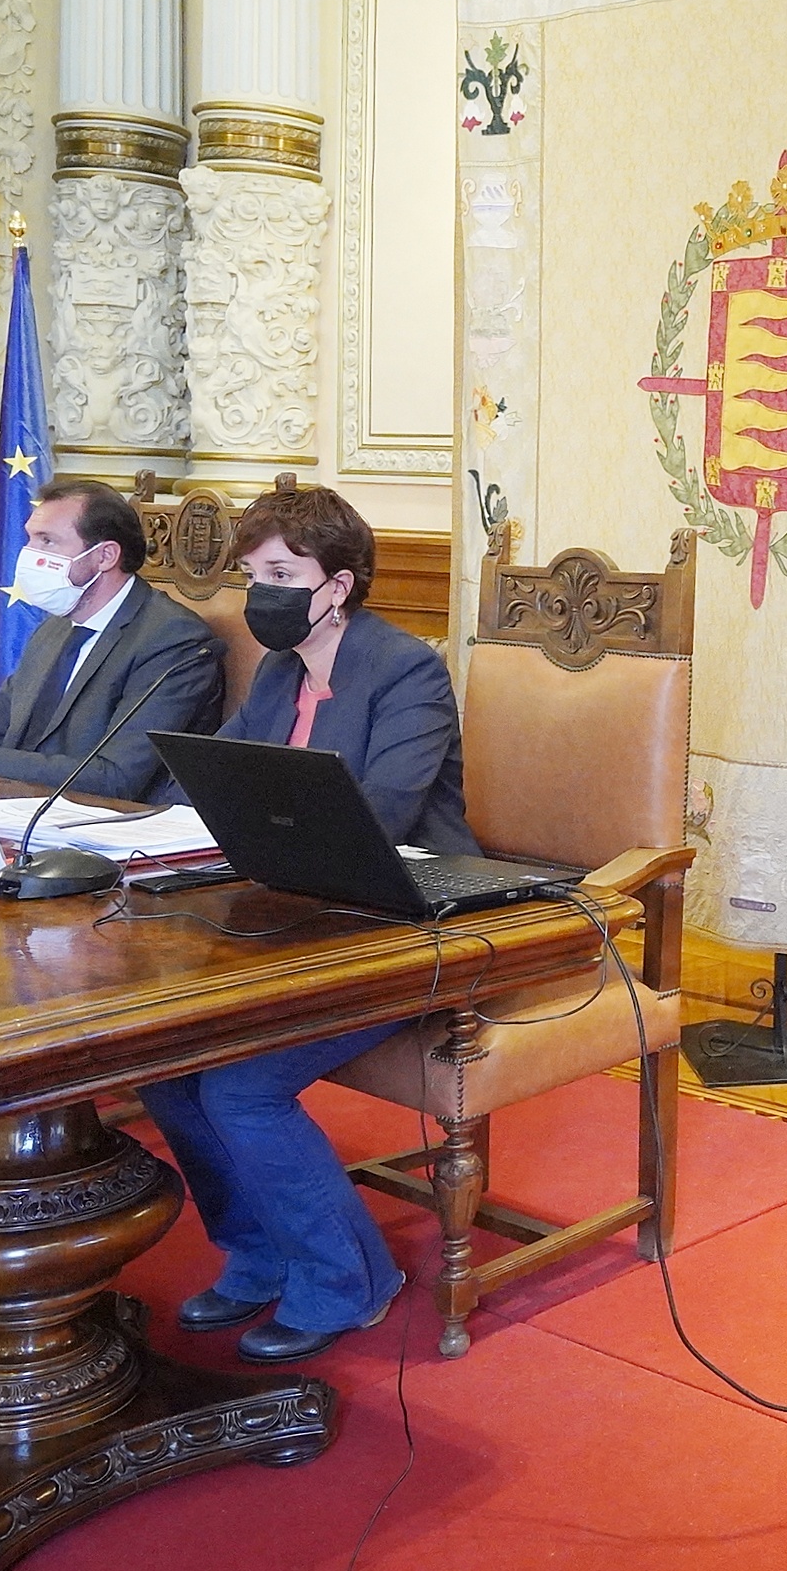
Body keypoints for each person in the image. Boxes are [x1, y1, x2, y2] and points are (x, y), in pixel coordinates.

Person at [136, 485, 477, 1363]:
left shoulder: (406, 669)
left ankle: (346, 1280)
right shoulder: (281, 670)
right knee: (167, 1072)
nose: (263, 593)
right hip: (295, 912)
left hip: (402, 924)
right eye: (254, 574)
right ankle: (259, 1256)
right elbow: (221, 775)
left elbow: (386, 812)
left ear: (339, 585)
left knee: (240, 1087)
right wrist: (153, 828)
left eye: (282, 575)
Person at [0, 477, 223, 800]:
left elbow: (116, 778)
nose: (28, 553)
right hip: (20, 811)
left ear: (105, 556)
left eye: (47, 541)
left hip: (109, 826)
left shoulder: (174, 641)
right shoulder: (56, 629)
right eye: (30, 539)